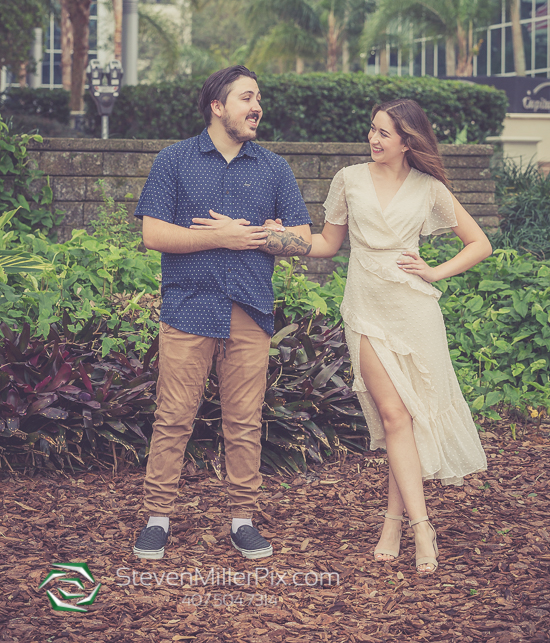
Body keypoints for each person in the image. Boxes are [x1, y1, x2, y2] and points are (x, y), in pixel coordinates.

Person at [132, 65, 312, 561]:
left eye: (259, 98)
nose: (257, 107)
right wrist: (218, 237)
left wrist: (259, 235)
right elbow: (153, 234)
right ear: (218, 105)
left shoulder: (274, 167)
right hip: (189, 308)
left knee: (245, 420)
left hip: (248, 311)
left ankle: (242, 520)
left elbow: (303, 239)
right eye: (247, 98)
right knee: (173, 417)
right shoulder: (175, 161)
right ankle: (157, 519)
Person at [306, 99, 490, 574]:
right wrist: (275, 238)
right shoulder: (348, 179)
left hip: (414, 311)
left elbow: (480, 244)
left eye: (385, 133)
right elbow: (326, 244)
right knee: (393, 413)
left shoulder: (429, 188)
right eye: (372, 130)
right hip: (366, 309)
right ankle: (423, 526)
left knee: (402, 421)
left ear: (409, 140)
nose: (374, 139)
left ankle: (394, 521)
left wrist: (434, 273)